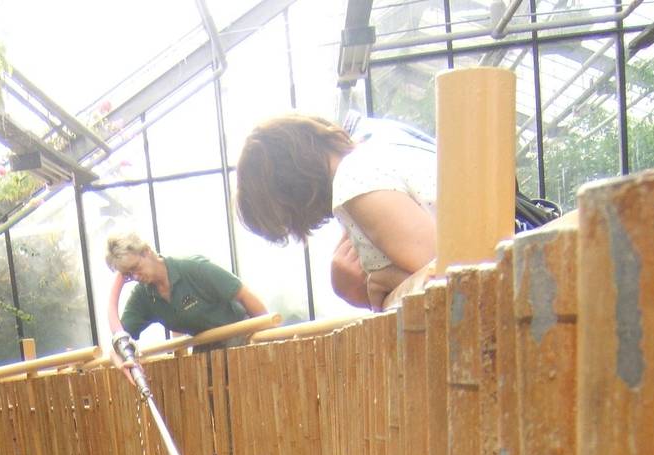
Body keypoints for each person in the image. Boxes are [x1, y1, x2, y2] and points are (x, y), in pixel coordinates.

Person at [235, 113, 436, 312]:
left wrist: (387, 279)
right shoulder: (377, 142)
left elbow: (452, 277)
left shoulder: (355, 180)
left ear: (288, 193)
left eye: (287, 220)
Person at [105, 234, 267, 341]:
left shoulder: (193, 268)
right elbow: (121, 336)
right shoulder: (143, 296)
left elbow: (244, 294)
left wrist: (270, 338)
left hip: (242, 340)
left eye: (135, 267)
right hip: (208, 352)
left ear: (147, 251)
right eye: (128, 274)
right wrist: (116, 288)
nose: (136, 276)